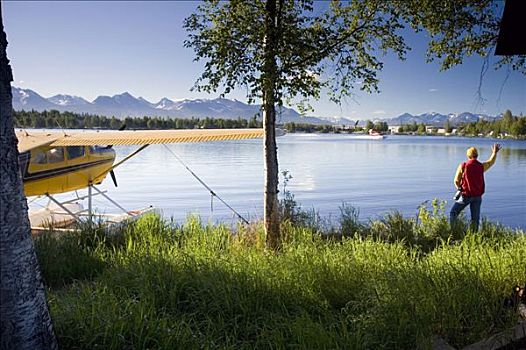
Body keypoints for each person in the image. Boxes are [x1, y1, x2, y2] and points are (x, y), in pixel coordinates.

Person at [450, 143, 501, 231]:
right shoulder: (481, 166)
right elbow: (490, 162)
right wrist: (494, 153)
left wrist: (459, 188)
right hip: (477, 197)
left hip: (466, 195)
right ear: (477, 155)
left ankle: (455, 231)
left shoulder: (463, 166)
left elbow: (456, 181)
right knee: (475, 219)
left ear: (468, 156)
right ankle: (474, 236)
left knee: (453, 213)